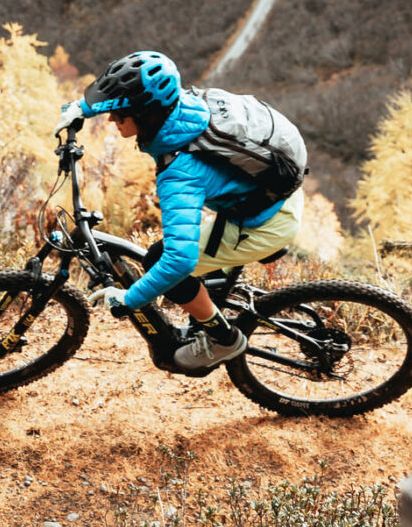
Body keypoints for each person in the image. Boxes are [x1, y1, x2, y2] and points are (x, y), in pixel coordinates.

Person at [73, 50, 305, 374]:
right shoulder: (184, 108)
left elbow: (178, 261)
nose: (111, 119)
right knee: (179, 256)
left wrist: (129, 299)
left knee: (162, 260)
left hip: (266, 224)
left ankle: (223, 339)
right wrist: (78, 110)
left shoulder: (180, 171)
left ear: (144, 114)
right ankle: (210, 302)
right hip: (274, 193)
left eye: (119, 115)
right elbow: (122, 99)